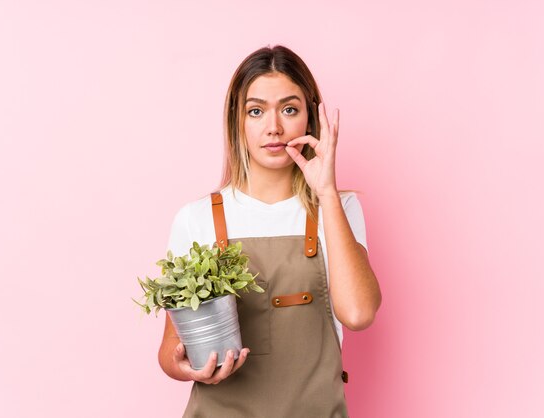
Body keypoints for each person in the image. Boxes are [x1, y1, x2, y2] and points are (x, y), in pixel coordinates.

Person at [158, 44, 382, 417]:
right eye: (256, 111)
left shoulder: (339, 208)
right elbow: (169, 350)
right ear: (238, 120)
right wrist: (184, 366)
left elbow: (358, 314)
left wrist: (325, 191)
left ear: (310, 119)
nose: (273, 127)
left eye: (289, 110)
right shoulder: (195, 218)